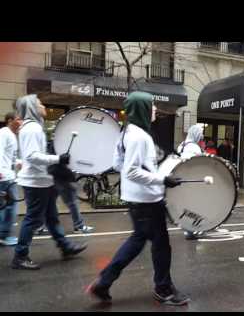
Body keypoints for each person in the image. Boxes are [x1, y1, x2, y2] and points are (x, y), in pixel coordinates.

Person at [87, 92, 188, 305]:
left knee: (139, 240)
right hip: (146, 200)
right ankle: (163, 289)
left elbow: (118, 164)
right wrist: (162, 180)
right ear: (141, 108)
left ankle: (104, 282)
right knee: (160, 245)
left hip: (136, 197)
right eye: (150, 106)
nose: (154, 110)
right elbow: (132, 171)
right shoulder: (140, 136)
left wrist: (147, 172)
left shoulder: (126, 132)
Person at [11, 95, 87, 270]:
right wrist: (58, 159)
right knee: (32, 219)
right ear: (31, 107)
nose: (43, 105)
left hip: (42, 180)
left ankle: (65, 247)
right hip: (35, 181)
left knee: (51, 217)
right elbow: (31, 156)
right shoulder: (33, 129)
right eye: (39, 103)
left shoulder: (32, 127)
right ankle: (20, 256)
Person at [35, 141, 95, 236]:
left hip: (53, 175)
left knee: (47, 203)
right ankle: (79, 226)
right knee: (72, 202)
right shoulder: (63, 142)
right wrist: (71, 177)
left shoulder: (56, 142)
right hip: (62, 177)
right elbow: (63, 163)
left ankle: (39, 226)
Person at [177, 124, 204, 240]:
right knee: (195, 205)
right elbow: (199, 163)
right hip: (192, 180)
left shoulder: (182, 145)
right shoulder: (194, 147)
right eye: (200, 134)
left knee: (187, 205)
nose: (201, 137)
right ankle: (191, 230)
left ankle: (189, 229)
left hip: (182, 179)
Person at [0, 112, 22, 246]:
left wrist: (19, 162)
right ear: (10, 120)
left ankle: (3, 234)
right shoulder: (4, 133)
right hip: (4, 176)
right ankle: (3, 235)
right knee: (11, 205)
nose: (21, 122)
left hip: (8, 175)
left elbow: (12, 158)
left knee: (5, 206)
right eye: (18, 119)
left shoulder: (13, 136)